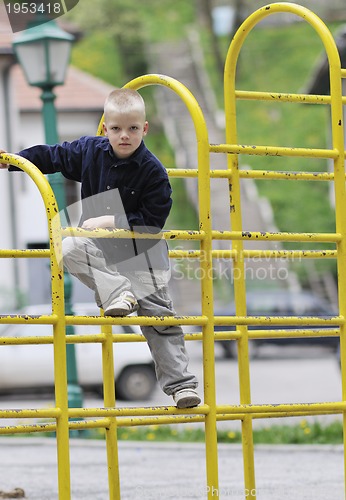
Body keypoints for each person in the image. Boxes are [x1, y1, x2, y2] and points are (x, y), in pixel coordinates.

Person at [0, 88, 201, 409]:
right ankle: (118, 292)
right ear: (105, 128)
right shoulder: (89, 151)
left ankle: (181, 387)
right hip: (101, 253)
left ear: (144, 129)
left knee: (160, 320)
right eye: (117, 128)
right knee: (68, 245)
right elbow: (53, 155)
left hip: (142, 254)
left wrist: (114, 218)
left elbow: (154, 219)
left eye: (133, 129)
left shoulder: (153, 171)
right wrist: (12, 160)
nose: (125, 136)